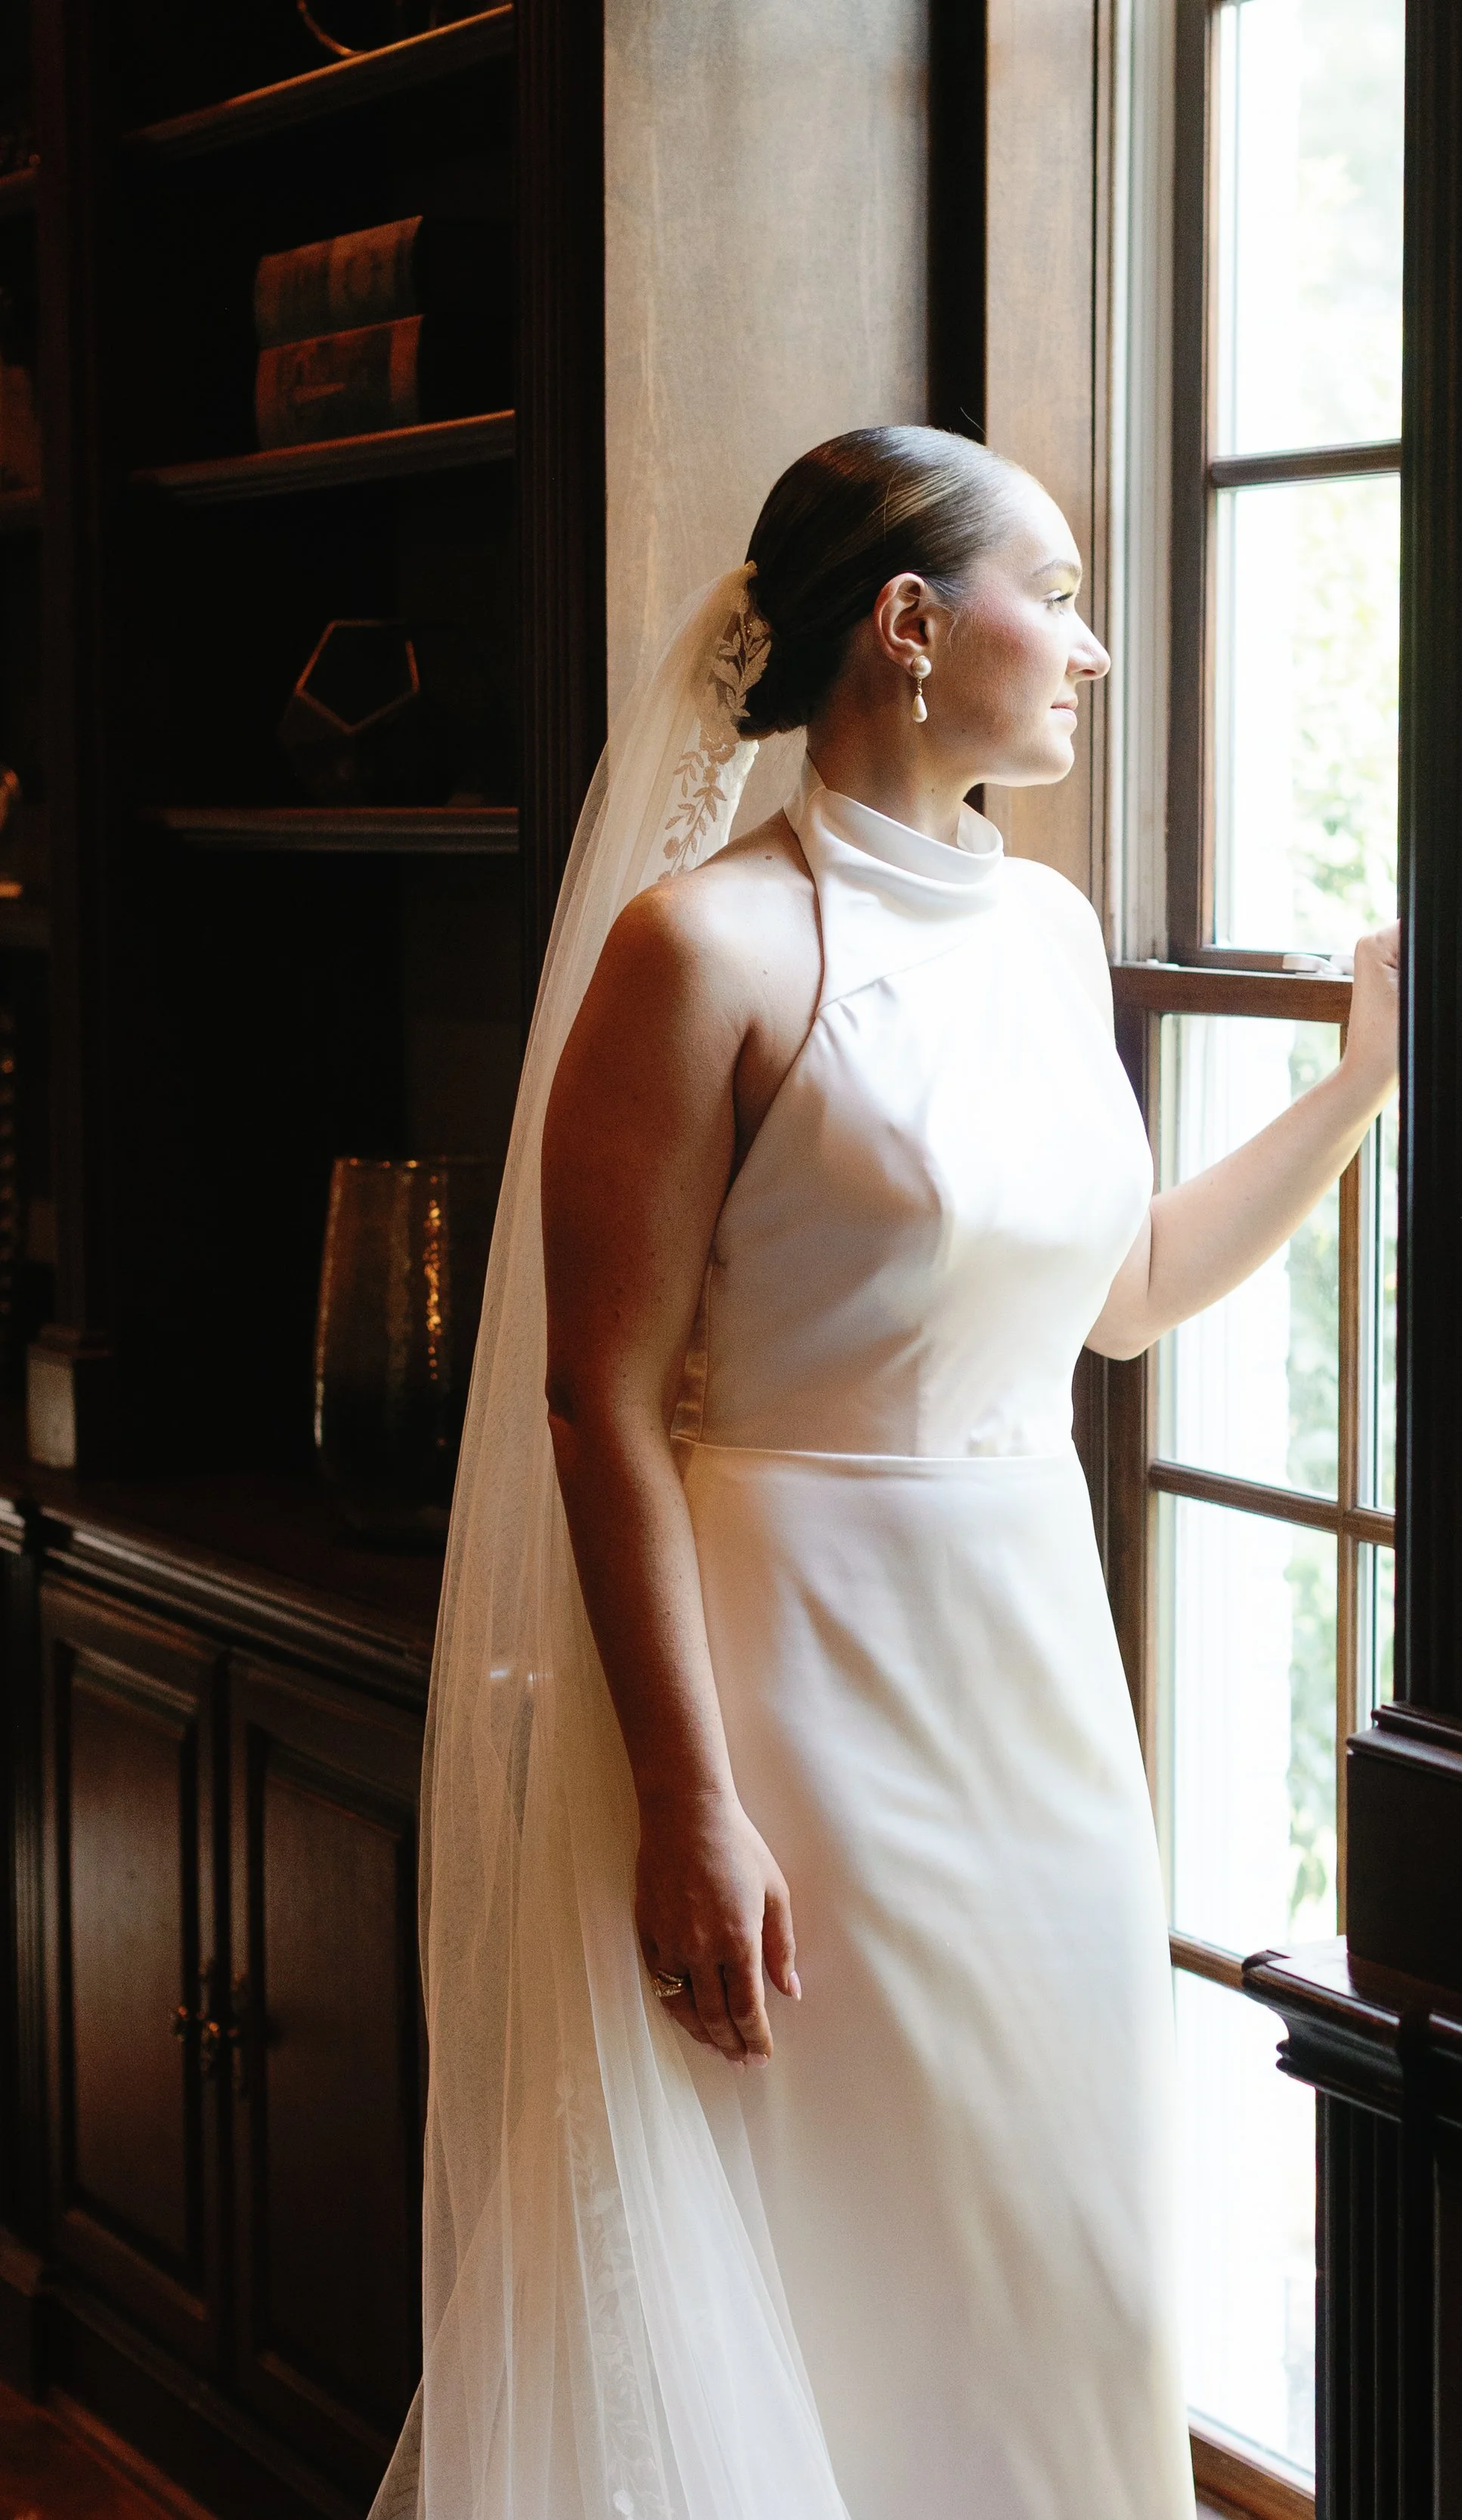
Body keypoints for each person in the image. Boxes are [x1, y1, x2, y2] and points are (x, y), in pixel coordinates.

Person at [376, 426, 1398, 2520]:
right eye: (1063, 592)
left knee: (1063, 2250)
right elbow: (600, 1400)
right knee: (846, 2248)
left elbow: (1120, 1293)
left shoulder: (1039, 929)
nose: (1097, 651)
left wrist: (1359, 1084)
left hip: (1034, 1694)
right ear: (912, 623)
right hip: (795, 1700)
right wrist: (686, 1799)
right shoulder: (707, 953)